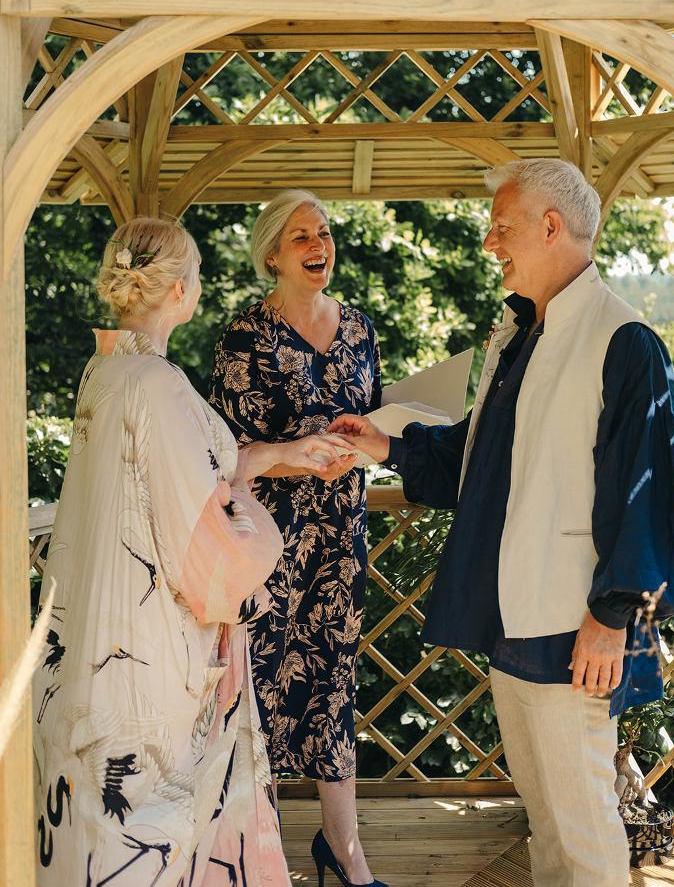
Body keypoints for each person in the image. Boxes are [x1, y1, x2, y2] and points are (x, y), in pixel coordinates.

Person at [330, 159, 674, 887]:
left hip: (576, 626)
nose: (491, 243)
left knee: (583, 820)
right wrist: (388, 447)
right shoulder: (520, 337)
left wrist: (612, 618)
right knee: (547, 816)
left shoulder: (624, 343)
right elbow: (480, 456)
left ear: (550, 227)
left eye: (503, 227)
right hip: (513, 613)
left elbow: (643, 495)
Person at [33, 216, 354, 887]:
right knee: (152, 820)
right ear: (179, 290)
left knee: (100, 822)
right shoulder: (159, 385)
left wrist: (280, 453)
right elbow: (203, 546)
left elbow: (196, 463)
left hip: (94, 625)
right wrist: (259, 544)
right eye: (200, 276)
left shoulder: (109, 369)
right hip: (148, 639)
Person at [209, 190, 386, 887]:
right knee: (263, 684)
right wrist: (297, 453)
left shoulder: (361, 328)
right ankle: (264, 852)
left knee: (334, 681)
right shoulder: (242, 337)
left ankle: (344, 850)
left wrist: (361, 448)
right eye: (302, 235)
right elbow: (225, 453)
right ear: (273, 254)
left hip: (340, 534)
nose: (320, 244)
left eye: (325, 231)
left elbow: (371, 427)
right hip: (267, 541)